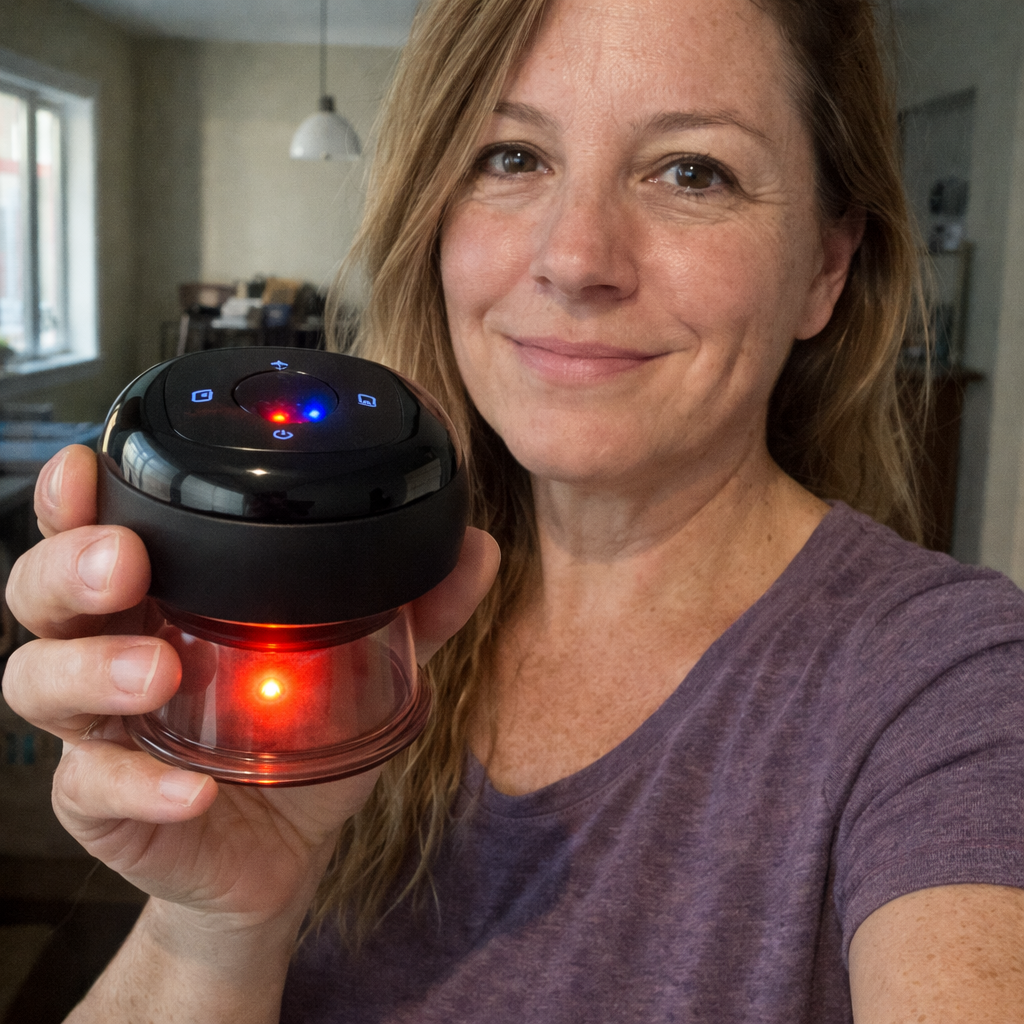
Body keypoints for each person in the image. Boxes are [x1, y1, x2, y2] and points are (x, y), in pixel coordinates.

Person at [3, 0, 1023, 1020]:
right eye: (511, 157)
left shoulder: (947, 684)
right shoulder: (350, 627)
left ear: (825, 267)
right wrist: (216, 926)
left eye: (691, 172)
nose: (574, 259)